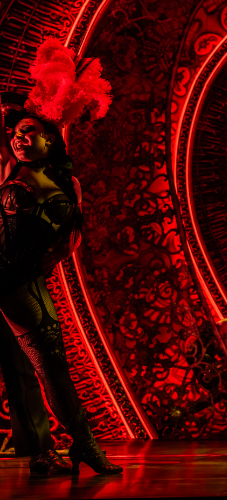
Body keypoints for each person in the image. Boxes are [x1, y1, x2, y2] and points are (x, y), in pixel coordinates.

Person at [0, 39, 120, 474]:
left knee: (42, 370)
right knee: (48, 369)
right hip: (12, 285)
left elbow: (61, 243)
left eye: (30, 133)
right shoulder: (15, 184)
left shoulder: (62, 184)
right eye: (16, 134)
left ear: (51, 142)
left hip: (25, 284)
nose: (19, 138)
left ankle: (58, 450)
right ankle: (80, 445)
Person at [0, 90, 70, 475]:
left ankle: (39, 446)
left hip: (12, 276)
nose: (15, 135)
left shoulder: (26, 172)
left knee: (22, 366)